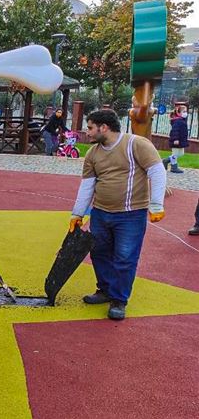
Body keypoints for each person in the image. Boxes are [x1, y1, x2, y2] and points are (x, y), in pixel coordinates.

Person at [69, 109, 166, 320]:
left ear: (104, 127)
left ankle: (119, 300)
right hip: (101, 213)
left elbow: (157, 171)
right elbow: (87, 185)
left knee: (125, 258)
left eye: (90, 127)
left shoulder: (136, 144)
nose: (88, 132)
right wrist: (77, 214)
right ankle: (105, 290)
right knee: (99, 253)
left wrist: (156, 204)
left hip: (131, 215)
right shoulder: (93, 154)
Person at [162, 104, 188, 174]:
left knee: (181, 154)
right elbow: (174, 131)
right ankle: (174, 167)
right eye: (184, 111)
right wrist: (176, 139)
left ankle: (166, 160)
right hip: (176, 141)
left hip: (181, 141)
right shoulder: (177, 121)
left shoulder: (182, 120)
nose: (186, 113)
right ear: (179, 113)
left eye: (186, 111)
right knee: (175, 154)